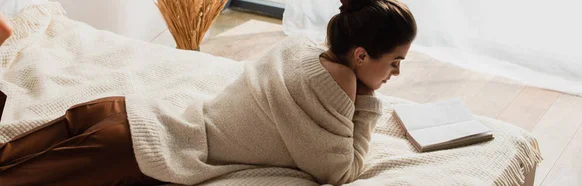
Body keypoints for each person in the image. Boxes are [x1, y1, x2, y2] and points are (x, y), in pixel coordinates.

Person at [0, 0, 417, 185]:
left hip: (118, 115)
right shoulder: (334, 89)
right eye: (394, 61)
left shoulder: (300, 49)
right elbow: (340, 172)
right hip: (133, 145)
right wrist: (367, 101)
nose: (396, 73)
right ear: (360, 55)